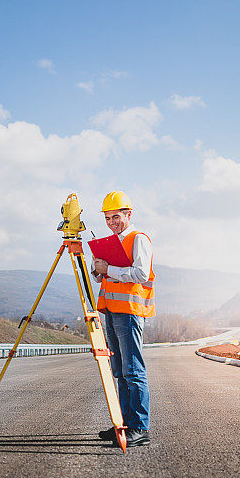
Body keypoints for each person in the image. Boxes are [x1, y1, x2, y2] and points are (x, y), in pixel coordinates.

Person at [91, 190, 155, 448]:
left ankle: (140, 428)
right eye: (108, 218)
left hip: (129, 312)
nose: (112, 222)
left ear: (128, 214)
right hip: (112, 310)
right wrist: (98, 268)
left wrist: (111, 269)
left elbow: (140, 273)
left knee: (133, 370)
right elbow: (102, 277)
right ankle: (124, 424)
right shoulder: (113, 242)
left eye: (116, 217)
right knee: (120, 371)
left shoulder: (138, 239)